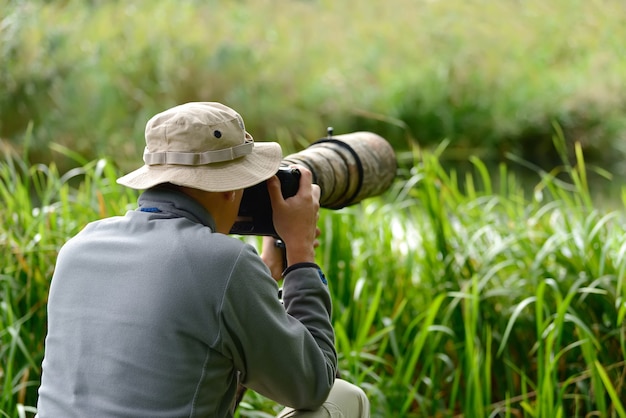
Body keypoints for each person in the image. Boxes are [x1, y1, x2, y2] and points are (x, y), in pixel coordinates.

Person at [36, 102, 370, 417]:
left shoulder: (79, 246)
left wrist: (265, 273)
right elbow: (313, 384)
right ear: (229, 188)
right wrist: (300, 255)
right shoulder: (225, 263)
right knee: (345, 398)